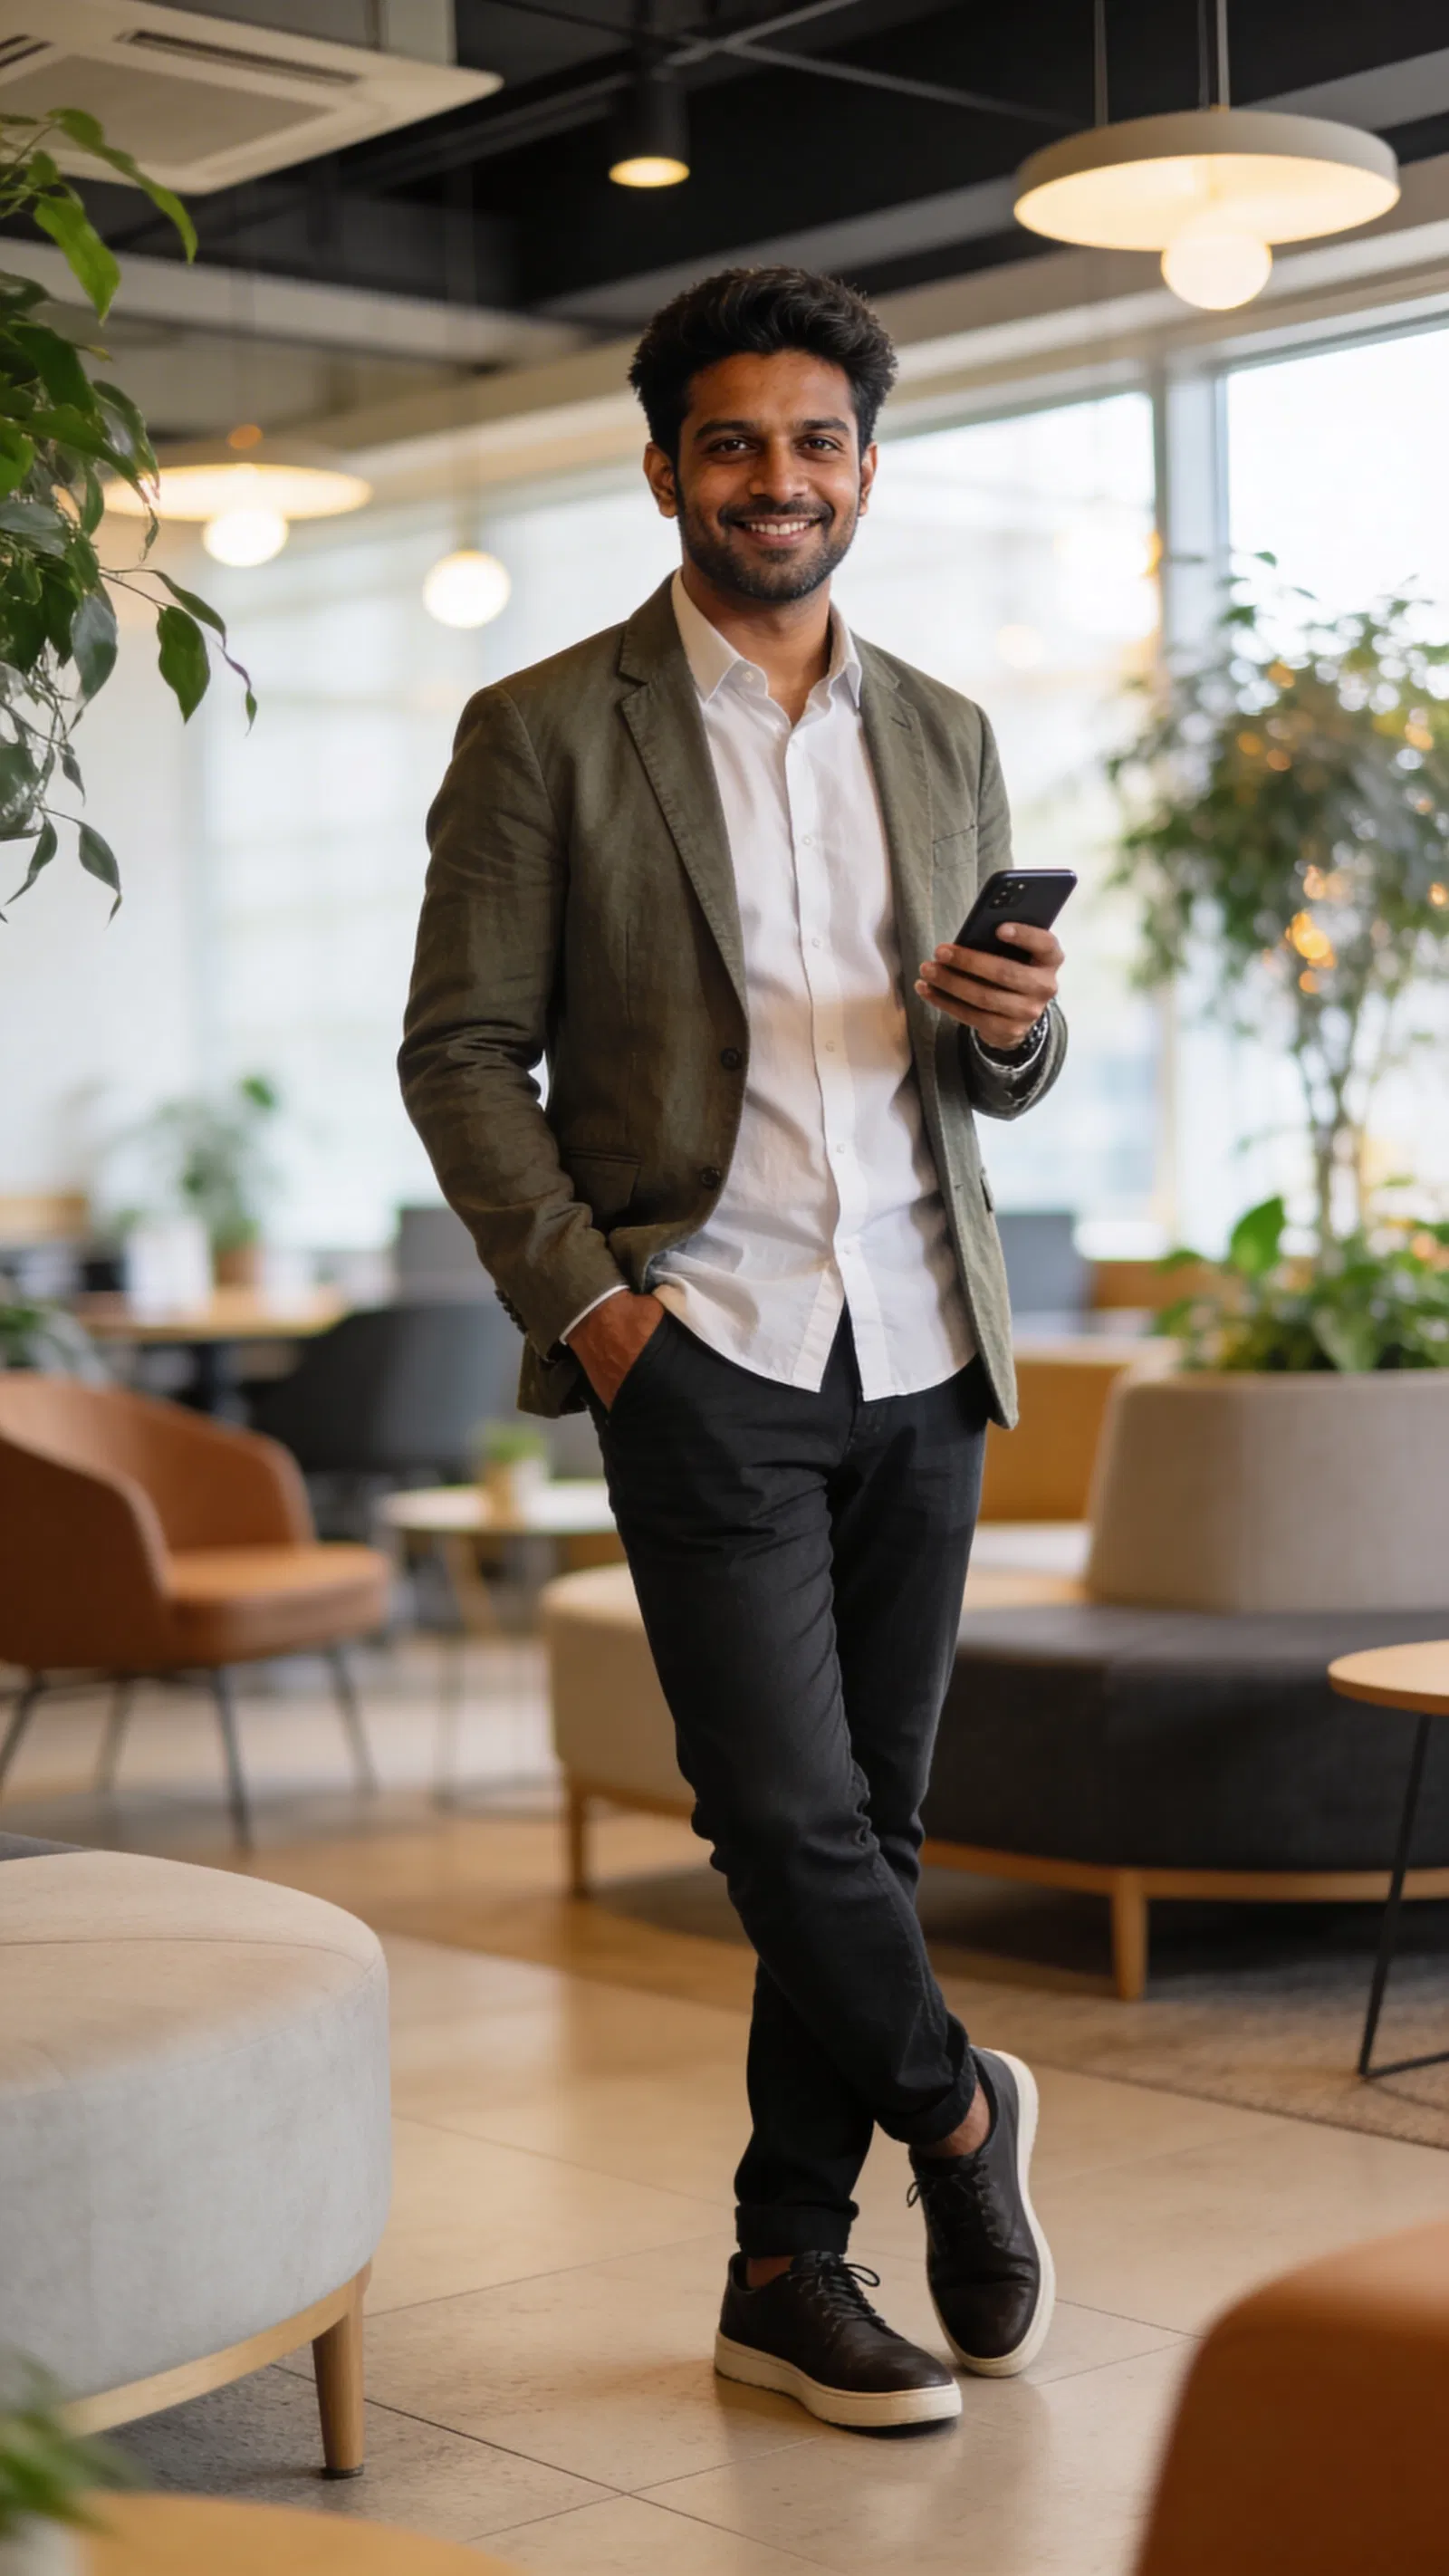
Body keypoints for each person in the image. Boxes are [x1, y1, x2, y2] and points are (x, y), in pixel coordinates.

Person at [399, 264, 1068, 2436]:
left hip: (921, 1341)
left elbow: (980, 1073)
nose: (774, 481)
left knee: (865, 1818)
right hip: (704, 1343)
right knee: (779, 1815)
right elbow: (459, 1050)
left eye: (812, 442)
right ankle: (960, 2126)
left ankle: (788, 2260)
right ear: (665, 465)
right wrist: (596, 1312)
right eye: (731, 443)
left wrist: (1020, 1034)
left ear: (862, 464)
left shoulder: (944, 730)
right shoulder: (544, 729)